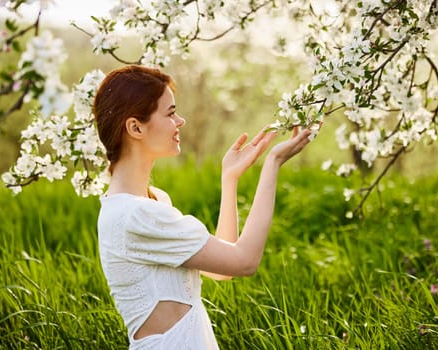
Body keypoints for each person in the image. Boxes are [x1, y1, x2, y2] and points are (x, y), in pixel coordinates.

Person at [93, 65, 313, 349]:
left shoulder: (151, 202)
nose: (180, 121)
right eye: (170, 113)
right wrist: (272, 165)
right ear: (136, 127)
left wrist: (230, 179)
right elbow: (245, 261)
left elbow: (224, 269)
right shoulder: (136, 215)